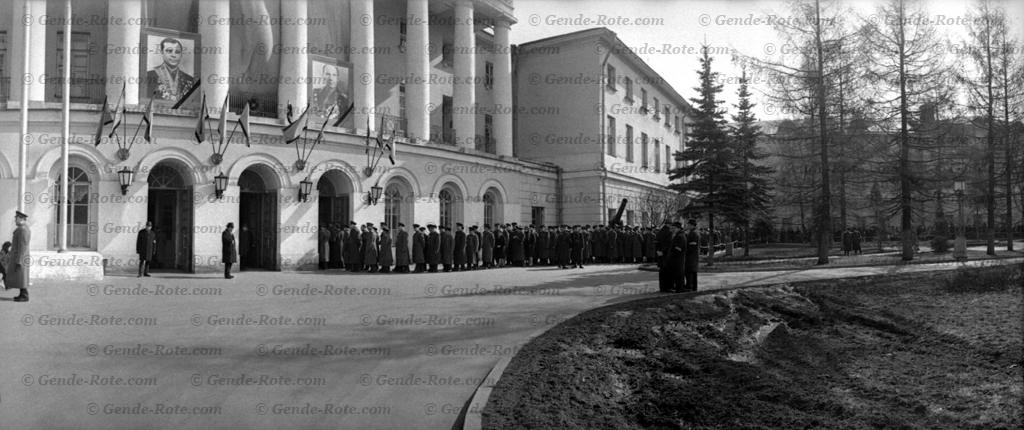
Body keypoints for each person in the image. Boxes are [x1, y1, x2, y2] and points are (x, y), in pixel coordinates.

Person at [8, 212, 30, 301]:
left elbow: (23, 247)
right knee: (20, 277)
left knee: (22, 277)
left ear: (21, 219)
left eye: (16, 218)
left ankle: (24, 296)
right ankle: (22, 294)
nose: (15, 220)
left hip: (21, 257)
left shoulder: (23, 230)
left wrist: (19, 260)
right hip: (20, 257)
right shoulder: (21, 229)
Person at [657, 223, 677, 292]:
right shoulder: (669, 233)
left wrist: (658, 251)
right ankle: (668, 287)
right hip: (667, 255)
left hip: (660, 255)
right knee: (668, 272)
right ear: (669, 225)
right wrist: (664, 251)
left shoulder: (659, 232)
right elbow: (669, 244)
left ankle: (662, 287)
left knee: (662, 272)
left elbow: (656, 242)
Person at [683, 219, 700, 291]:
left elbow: (692, 246)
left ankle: (690, 286)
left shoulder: (693, 233)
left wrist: (686, 251)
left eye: (688, 224)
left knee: (690, 272)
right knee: (693, 272)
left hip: (691, 256)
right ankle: (693, 287)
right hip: (693, 256)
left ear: (692, 225)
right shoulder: (693, 232)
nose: (687, 226)